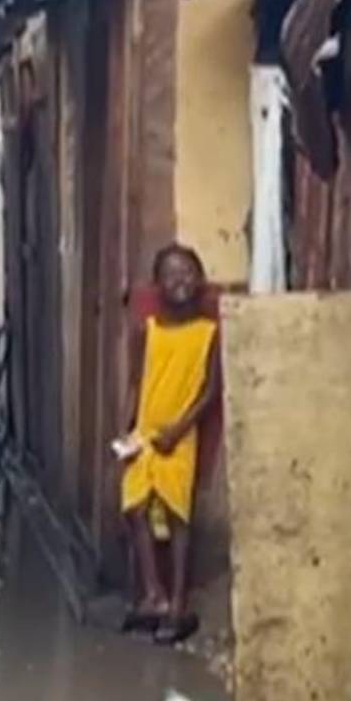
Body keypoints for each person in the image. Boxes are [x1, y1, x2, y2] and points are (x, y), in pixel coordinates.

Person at [121, 244, 219, 645]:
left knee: (179, 517)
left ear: (199, 280)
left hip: (181, 435)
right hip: (146, 432)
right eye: (171, 274)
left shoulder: (208, 333)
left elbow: (210, 391)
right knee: (135, 507)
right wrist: (126, 431)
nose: (180, 281)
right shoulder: (149, 330)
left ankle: (177, 601)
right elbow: (136, 384)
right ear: (158, 284)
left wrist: (180, 429)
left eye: (188, 273)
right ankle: (153, 594)